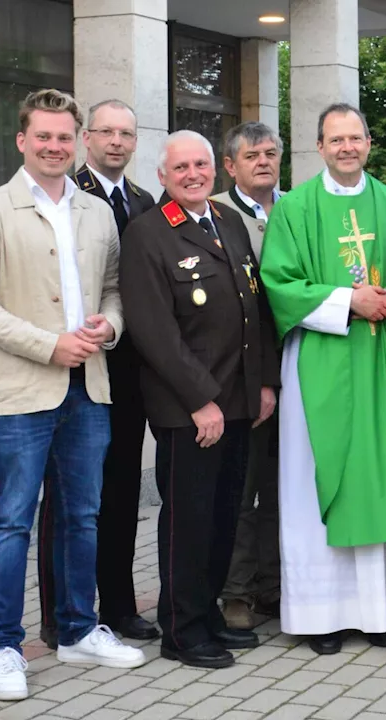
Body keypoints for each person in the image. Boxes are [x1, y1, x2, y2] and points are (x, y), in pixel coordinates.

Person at [0, 89, 147, 702]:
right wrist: (48, 345)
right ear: (22, 140)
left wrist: (109, 327)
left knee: (82, 515)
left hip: (88, 385)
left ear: (77, 141)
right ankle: (4, 648)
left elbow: (115, 289)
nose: (55, 146)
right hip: (21, 390)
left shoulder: (95, 212)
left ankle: (77, 628)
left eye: (65, 137)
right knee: (12, 520)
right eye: (44, 136)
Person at [260, 104, 386, 656]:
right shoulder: (295, 209)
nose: (347, 147)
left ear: (369, 142)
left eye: (355, 137)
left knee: (377, 476)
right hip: (320, 360)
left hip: (380, 362)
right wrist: (346, 301)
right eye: (336, 139)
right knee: (313, 484)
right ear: (320, 146)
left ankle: (381, 613)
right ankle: (319, 616)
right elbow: (278, 281)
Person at [120, 130, 280, 669]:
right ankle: (182, 632)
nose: (193, 174)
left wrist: (262, 384)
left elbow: (252, 311)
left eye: (201, 165)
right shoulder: (148, 234)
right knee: (187, 520)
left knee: (223, 516)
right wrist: (200, 401)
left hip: (238, 401)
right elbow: (153, 330)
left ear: (216, 169)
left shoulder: (228, 220)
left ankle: (206, 614)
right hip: (190, 409)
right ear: (162, 177)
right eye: (180, 167)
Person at [35, 98, 158, 650]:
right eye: (105, 131)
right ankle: (59, 613)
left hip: (127, 374)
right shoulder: (67, 193)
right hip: (74, 368)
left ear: (135, 142)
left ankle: (120, 606)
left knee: (123, 492)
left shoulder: (142, 200)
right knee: (68, 499)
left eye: (125, 134)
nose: (115, 141)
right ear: (87, 138)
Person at [211, 121, 285, 631]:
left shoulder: (298, 207)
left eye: (270, 153)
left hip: (298, 369)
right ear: (230, 165)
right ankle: (235, 592)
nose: (263, 161)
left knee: (284, 487)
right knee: (243, 486)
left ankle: (274, 584)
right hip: (243, 376)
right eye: (252, 155)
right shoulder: (214, 212)